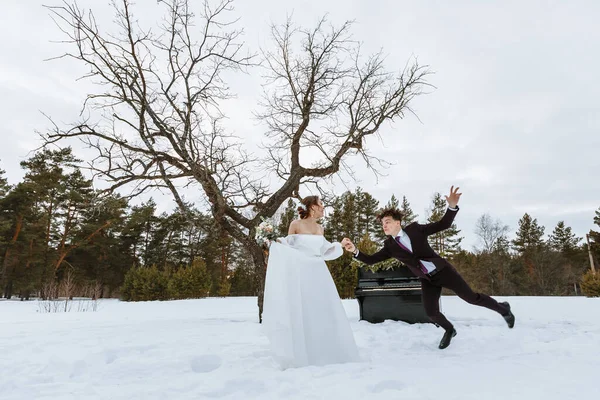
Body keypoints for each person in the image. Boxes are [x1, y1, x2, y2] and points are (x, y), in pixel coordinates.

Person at [341, 186, 515, 349]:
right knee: (431, 312)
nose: (384, 226)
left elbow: (443, 225)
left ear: (398, 223)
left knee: (471, 298)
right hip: (427, 279)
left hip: (443, 271)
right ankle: (449, 330)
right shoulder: (390, 246)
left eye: (387, 222)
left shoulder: (416, 230)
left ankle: (503, 309)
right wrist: (354, 250)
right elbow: (371, 260)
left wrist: (452, 206)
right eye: (382, 224)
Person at [262, 195, 360, 368]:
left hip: (318, 272)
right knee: (303, 308)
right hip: (301, 272)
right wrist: (272, 239)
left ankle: (325, 351)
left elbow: (325, 250)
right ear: (312, 207)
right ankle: (302, 352)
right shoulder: (296, 224)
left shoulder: (320, 228)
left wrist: (341, 244)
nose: (323, 207)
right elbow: (287, 247)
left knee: (322, 308)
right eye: (321, 204)